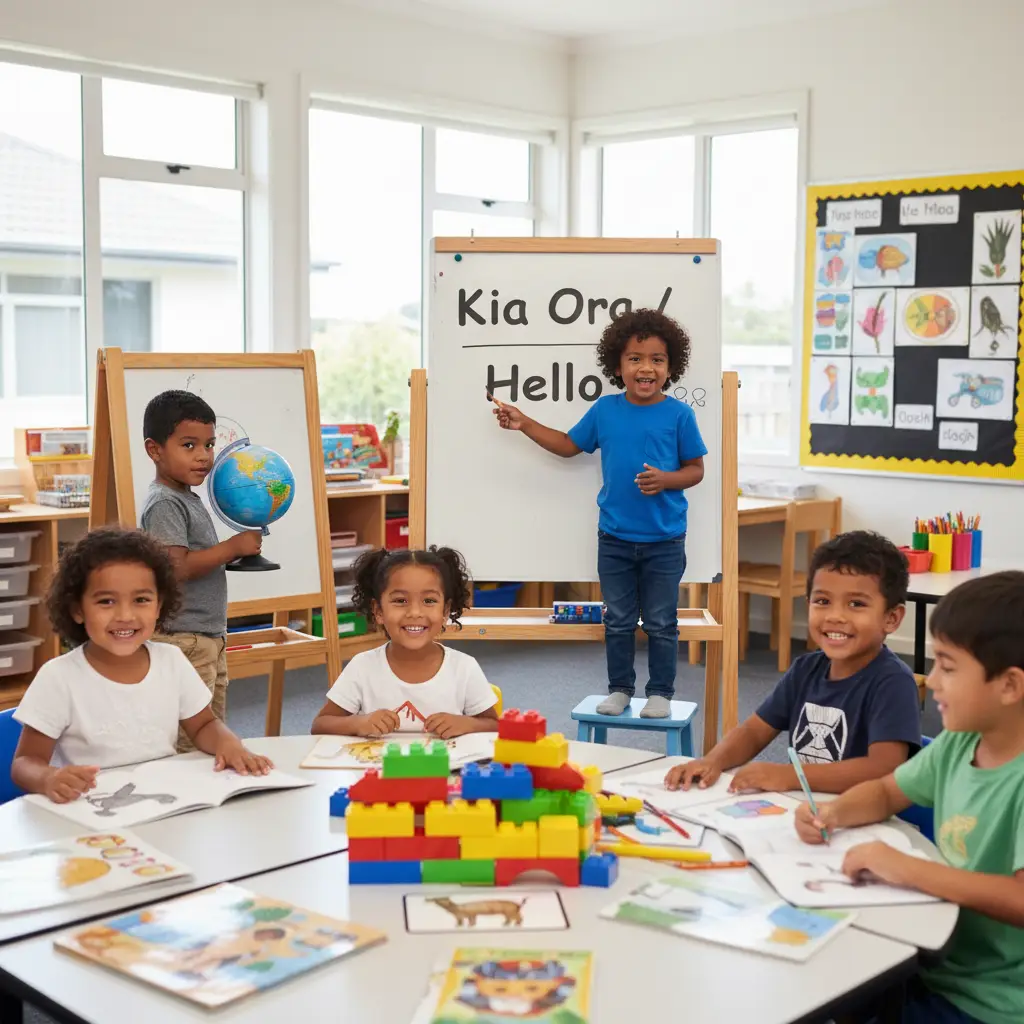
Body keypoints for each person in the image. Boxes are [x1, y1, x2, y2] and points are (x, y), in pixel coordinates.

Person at [795, 571, 1024, 1024]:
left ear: (1010, 686)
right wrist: (835, 811)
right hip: (931, 960)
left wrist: (908, 868)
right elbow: (885, 791)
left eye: (948, 666)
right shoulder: (961, 743)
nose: (931, 680)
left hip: (990, 1002)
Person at [491, 308, 706, 719]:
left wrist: (666, 479)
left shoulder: (680, 415)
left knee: (661, 622)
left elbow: (696, 470)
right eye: (636, 359)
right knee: (619, 620)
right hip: (615, 539)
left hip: (664, 540)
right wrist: (524, 422)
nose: (646, 368)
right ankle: (621, 689)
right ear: (618, 365)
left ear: (670, 367)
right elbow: (569, 445)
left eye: (657, 360)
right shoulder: (605, 410)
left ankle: (660, 692)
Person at [11, 528, 271, 803]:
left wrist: (229, 744)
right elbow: (25, 762)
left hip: (158, 806)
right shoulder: (58, 678)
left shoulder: (171, 661)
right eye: (106, 601)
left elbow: (204, 725)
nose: (125, 615)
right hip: (89, 812)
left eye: (141, 600)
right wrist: (48, 777)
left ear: (159, 606)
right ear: (77, 609)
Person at [666, 531, 921, 793]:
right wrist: (712, 761)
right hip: (806, 812)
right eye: (823, 601)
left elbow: (883, 769)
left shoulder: (893, 683)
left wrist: (791, 777)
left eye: (856, 604)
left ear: (891, 618)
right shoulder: (805, 670)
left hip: (865, 819)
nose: (835, 616)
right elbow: (754, 731)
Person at [139, 390, 262, 751]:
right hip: (184, 640)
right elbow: (174, 566)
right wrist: (231, 548)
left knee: (211, 729)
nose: (204, 457)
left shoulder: (185, 496)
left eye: (208, 445)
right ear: (155, 450)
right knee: (190, 740)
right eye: (189, 445)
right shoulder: (164, 503)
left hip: (205, 638)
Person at [311, 547, 498, 739]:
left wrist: (466, 723)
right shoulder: (362, 667)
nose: (415, 612)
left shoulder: (464, 668)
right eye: (400, 600)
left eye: (429, 600)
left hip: (443, 769)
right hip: (379, 768)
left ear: (445, 611)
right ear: (378, 611)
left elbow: (494, 725)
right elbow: (320, 725)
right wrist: (358, 723)